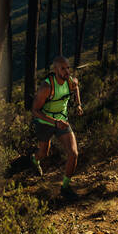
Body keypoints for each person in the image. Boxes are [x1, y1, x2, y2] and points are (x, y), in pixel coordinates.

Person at [30, 56, 83, 200]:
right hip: (44, 122)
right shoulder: (47, 87)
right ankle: (35, 160)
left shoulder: (70, 81)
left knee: (73, 153)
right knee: (43, 153)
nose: (66, 71)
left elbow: (76, 86)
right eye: (63, 69)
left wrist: (78, 104)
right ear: (55, 70)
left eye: (68, 68)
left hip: (62, 121)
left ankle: (65, 187)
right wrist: (54, 122)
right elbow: (35, 110)